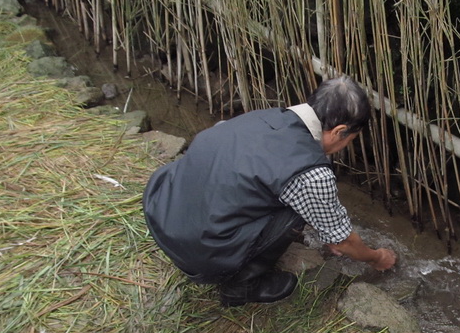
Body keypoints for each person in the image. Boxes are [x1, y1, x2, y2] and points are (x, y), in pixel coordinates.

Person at [142, 76, 397, 306]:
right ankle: (242, 287)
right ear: (340, 131)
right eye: (349, 139)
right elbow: (343, 240)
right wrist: (376, 257)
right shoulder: (311, 174)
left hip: (161, 213)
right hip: (199, 257)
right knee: (295, 211)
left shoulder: (265, 117)